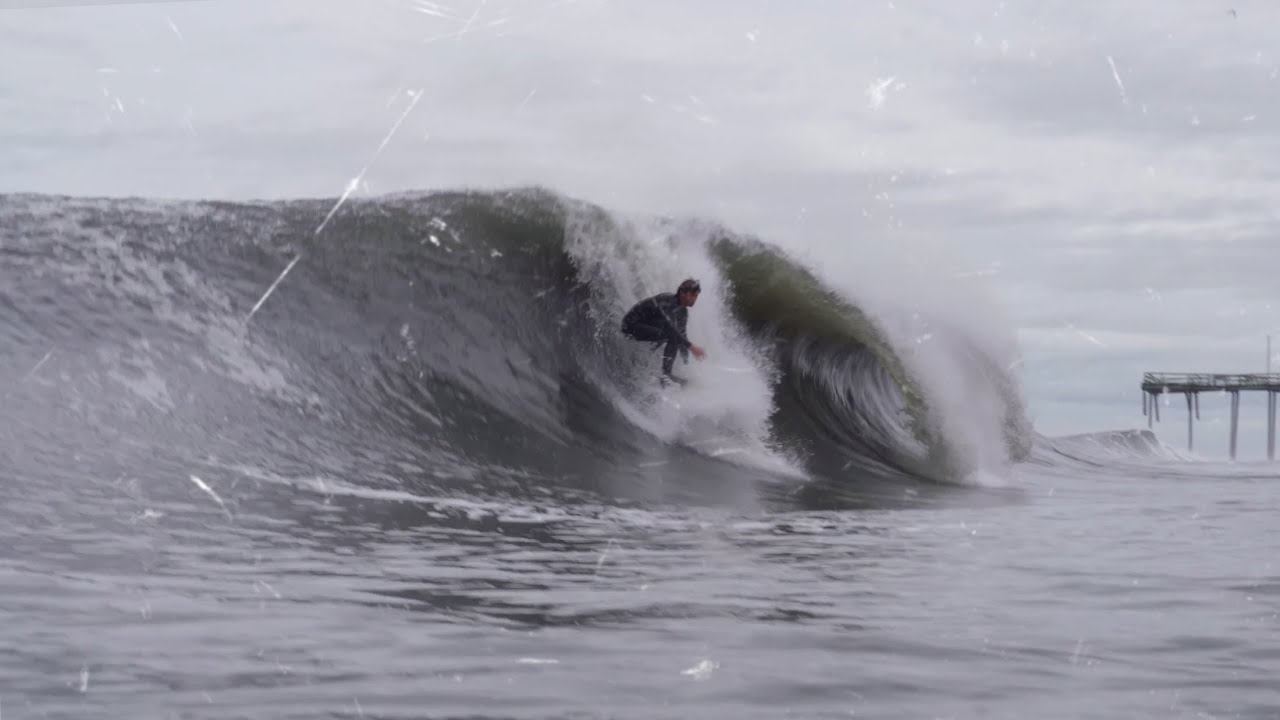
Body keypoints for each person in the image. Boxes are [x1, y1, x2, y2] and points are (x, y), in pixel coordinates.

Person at [620, 278, 708, 385]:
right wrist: (692, 347)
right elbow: (671, 329)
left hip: (647, 324)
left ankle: (659, 371)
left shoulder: (683, 312)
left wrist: (687, 363)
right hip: (630, 325)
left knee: (676, 336)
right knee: (671, 335)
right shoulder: (667, 302)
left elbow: (682, 335)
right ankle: (666, 375)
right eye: (692, 295)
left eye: (696, 296)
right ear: (682, 293)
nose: (695, 298)